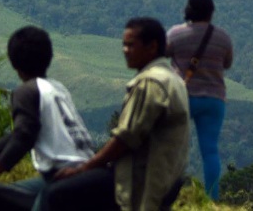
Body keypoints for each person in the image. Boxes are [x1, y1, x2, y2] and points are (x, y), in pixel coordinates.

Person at [0, 25, 95, 210]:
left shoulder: (26, 91)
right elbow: (18, 134)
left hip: (65, 178)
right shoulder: (57, 88)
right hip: (86, 171)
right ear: (48, 57)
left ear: (14, 62)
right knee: (6, 194)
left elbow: (23, 138)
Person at [53, 17, 190, 211]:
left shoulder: (150, 83)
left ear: (152, 47)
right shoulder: (173, 79)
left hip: (140, 176)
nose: (125, 51)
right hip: (168, 176)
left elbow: (126, 139)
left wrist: (85, 167)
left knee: (57, 193)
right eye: (124, 45)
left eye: (131, 45)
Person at [166, 0, 234, 201]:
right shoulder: (222, 37)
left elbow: (163, 54)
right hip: (214, 99)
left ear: (188, 10)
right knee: (210, 151)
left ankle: (169, 195)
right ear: (211, 11)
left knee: (174, 148)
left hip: (183, 97)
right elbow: (227, 63)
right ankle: (212, 198)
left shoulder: (175, 34)